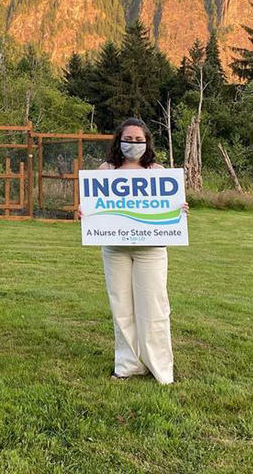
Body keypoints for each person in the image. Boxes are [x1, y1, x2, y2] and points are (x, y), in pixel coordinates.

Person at [88, 117, 186, 385]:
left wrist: (179, 208)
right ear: (118, 140)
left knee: (154, 308)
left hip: (151, 250)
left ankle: (161, 369)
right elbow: (94, 206)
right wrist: (85, 213)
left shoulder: (157, 170)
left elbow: (169, 205)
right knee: (121, 308)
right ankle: (127, 365)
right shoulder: (106, 170)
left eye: (138, 140)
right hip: (115, 249)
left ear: (147, 142)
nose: (133, 144)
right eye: (128, 139)